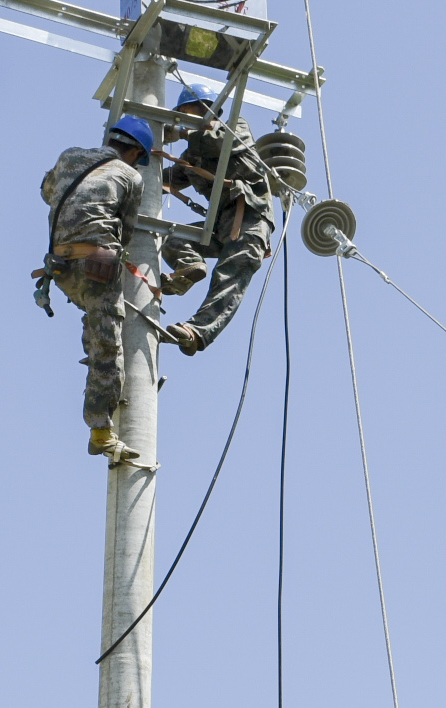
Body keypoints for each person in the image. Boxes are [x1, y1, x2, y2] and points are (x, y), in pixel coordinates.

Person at [34, 115, 155, 458]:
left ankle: (101, 408)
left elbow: (48, 191)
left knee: (95, 326)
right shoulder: (130, 176)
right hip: (97, 268)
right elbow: (126, 231)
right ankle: (101, 430)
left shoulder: (69, 155)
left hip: (60, 268)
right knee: (107, 349)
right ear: (134, 152)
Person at [156, 103, 274, 356]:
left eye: (186, 113)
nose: (182, 120)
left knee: (229, 277)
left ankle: (197, 332)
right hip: (221, 226)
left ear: (205, 109)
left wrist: (182, 133)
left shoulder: (235, 126)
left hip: (249, 219)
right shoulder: (192, 159)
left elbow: (218, 142)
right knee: (171, 237)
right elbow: (162, 180)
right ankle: (188, 269)